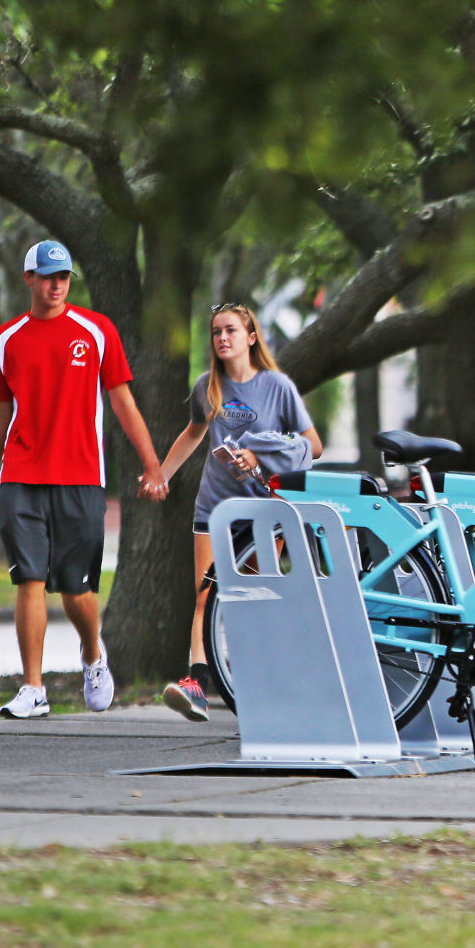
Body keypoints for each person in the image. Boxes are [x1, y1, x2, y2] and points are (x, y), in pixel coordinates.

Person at [0, 240, 168, 719]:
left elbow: (123, 401)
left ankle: (92, 653)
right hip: (22, 475)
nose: (57, 284)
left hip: (81, 477)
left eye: (63, 276)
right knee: (30, 580)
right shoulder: (7, 339)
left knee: (76, 592)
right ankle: (33, 688)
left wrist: (152, 464)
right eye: (47, 276)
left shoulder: (97, 330)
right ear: (29, 279)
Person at [155, 303, 321, 720]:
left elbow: (312, 445)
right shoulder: (206, 386)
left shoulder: (278, 387)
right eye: (215, 332)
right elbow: (194, 433)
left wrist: (260, 455)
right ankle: (196, 685)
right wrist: (161, 475)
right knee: (206, 597)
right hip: (214, 506)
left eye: (230, 330)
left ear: (251, 337)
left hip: (263, 508)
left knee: (253, 596)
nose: (222, 338)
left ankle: (264, 681)